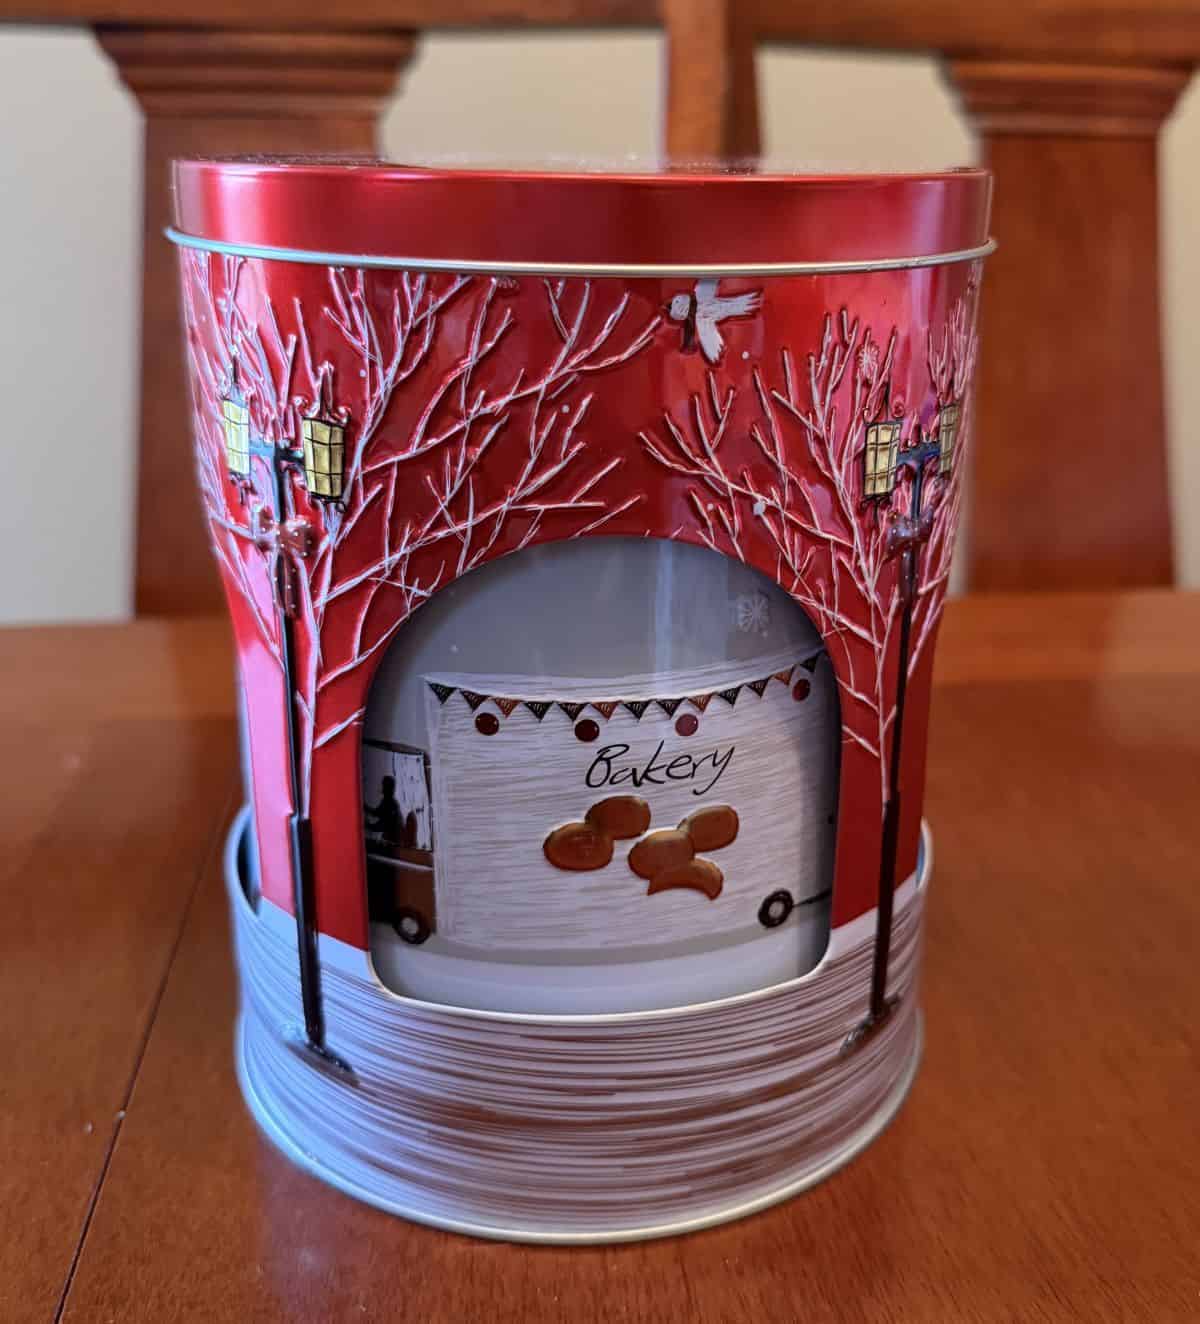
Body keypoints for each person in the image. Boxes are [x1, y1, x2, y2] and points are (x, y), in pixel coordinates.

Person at [364, 775, 403, 847]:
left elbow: (381, 825)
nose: (382, 788)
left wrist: (367, 825)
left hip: (393, 844)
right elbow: (376, 813)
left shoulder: (391, 804)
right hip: (389, 841)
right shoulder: (388, 801)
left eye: (384, 786)